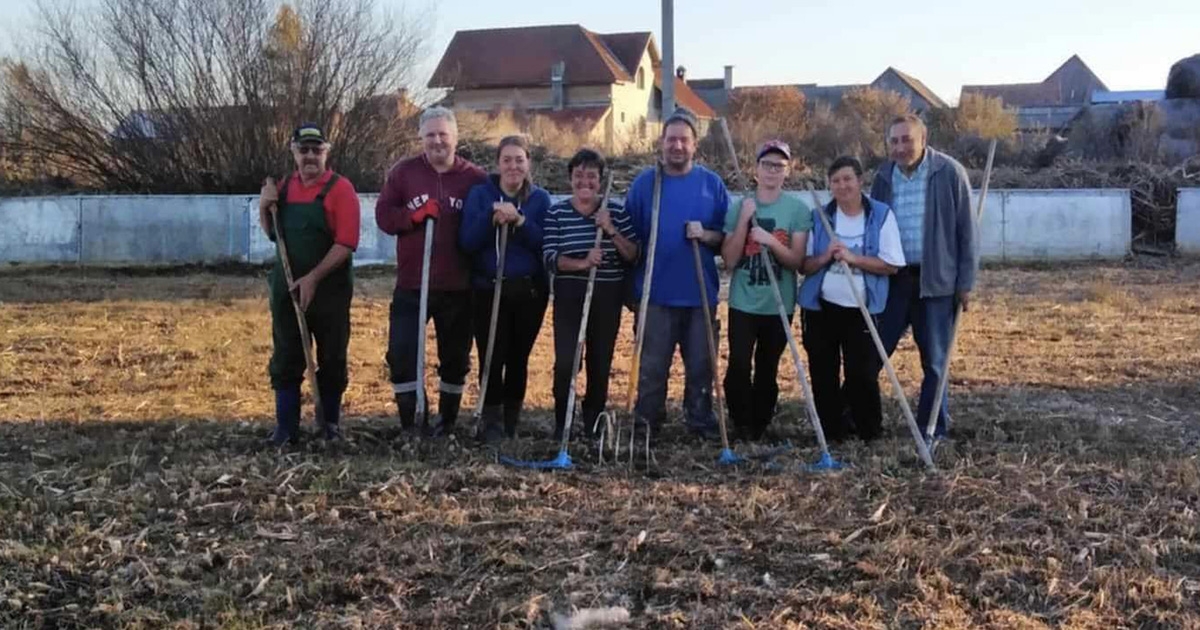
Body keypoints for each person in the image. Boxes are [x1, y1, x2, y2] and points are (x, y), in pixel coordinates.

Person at [376, 107, 486, 435]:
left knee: (455, 358)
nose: (437, 141)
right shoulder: (404, 173)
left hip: (458, 286)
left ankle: (447, 420)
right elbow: (384, 216)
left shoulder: (475, 178)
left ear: (456, 138)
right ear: (421, 138)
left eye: (443, 134)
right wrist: (411, 217)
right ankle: (412, 421)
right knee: (402, 353)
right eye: (430, 135)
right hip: (413, 284)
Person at [626, 107, 730, 441]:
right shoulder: (645, 184)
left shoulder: (711, 185)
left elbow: (726, 239)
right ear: (661, 142)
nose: (677, 146)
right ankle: (647, 424)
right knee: (652, 367)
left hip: (699, 295)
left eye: (684, 140)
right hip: (656, 295)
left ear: (694, 145)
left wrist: (706, 234)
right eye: (671, 139)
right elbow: (630, 238)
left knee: (701, 366)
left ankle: (700, 422)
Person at [871, 114, 977, 441]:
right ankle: (864, 422)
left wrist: (966, 282)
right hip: (893, 280)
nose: (900, 147)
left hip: (936, 282)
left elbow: (967, 231)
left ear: (923, 138)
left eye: (907, 139)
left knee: (934, 362)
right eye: (894, 141)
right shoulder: (883, 177)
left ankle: (932, 428)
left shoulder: (949, 173)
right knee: (872, 353)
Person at [258, 123, 360, 444]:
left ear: (326, 153)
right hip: (287, 289)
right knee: (287, 356)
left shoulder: (341, 190)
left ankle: (328, 425)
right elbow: (274, 234)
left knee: (332, 357)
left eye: (317, 150)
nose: (311, 156)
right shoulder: (283, 189)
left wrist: (313, 278)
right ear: (294, 153)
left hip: (330, 290)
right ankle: (286, 428)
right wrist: (264, 206)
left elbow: (346, 243)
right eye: (304, 150)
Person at [799, 156, 905, 442]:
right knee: (823, 373)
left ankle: (869, 432)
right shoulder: (820, 217)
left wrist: (853, 258)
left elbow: (892, 265)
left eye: (847, 179)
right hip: (821, 309)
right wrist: (826, 256)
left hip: (862, 309)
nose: (842, 185)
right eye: (835, 181)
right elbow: (804, 266)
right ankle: (832, 433)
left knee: (863, 374)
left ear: (860, 181)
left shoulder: (880, 215)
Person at [542, 148, 640, 441]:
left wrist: (610, 229)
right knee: (566, 362)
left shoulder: (616, 212)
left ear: (601, 180)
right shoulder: (557, 213)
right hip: (570, 296)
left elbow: (633, 255)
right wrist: (583, 262)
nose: (585, 182)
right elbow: (549, 258)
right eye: (579, 175)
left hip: (607, 295)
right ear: (570, 178)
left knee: (600, 361)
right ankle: (563, 422)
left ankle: (593, 423)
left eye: (592, 176)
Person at [459, 135, 551, 442]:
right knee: (491, 355)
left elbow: (545, 244)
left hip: (528, 292)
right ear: (498, 164)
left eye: (519, 160)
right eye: (507, 160)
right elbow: (467, 242)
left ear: (528, 163)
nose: (513, 166)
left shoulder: (540, 200)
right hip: (488, 289)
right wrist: (491, 218)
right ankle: (491, 420)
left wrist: (520, 222)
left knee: (517, 357)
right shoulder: (480, 195)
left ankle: (512, 419)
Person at [720, 140, 811, 441]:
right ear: (756, 169)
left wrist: (771, 241)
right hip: (743, 303)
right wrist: (743, 222)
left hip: (778, 303)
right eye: (767, 164)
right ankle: (740, 422)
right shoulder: (740, 207)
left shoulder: (797, 210)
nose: (772, 170)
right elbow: (730, 261)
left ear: (788, 171)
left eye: (779, 166)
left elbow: (797, 262)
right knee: (738, 364)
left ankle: (760, 423)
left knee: (767, 367)